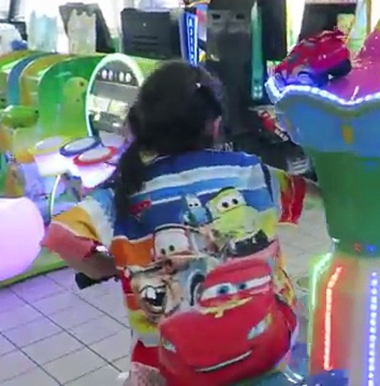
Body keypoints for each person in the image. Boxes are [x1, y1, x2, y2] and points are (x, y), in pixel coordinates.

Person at [42, 61, 317, 385]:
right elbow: (313, 196)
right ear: (215, 125)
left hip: (172, 370)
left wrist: (105, 266)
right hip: (265, 353)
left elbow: (61, 237)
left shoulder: (125, 191)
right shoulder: (250, 172)